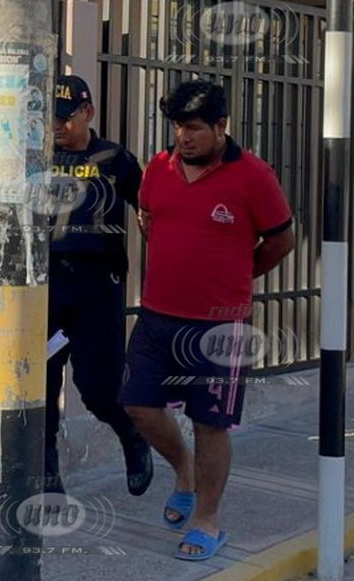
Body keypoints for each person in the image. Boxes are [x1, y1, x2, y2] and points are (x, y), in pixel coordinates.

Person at [120, 79, 295, 561]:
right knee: (137, 406)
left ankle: (207, 520)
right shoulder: (158, 168)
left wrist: (237, 274)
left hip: (220, 325)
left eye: (195, 128)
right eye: (178, 127)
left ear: (221, 126)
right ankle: (185, 472)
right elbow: (148, 219)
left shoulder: (253, 175)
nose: (184, 137)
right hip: (157, 316)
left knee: (210, 424)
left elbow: (281, 240)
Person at [45, 75, 153, 496]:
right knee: (40, 387)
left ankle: (132, 437)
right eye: (50, 118)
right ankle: (47, 477)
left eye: (65, 117)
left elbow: (149, 208)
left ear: (88, 112)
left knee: (99, 388)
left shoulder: (113, 158)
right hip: (46, 286)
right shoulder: (35, 156)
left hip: (96, 287)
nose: (57, 126)